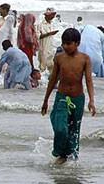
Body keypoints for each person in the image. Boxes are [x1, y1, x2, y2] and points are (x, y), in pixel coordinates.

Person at [41, 28, 96, 164]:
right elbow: (53, 79)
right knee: (60, 128)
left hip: (78, 98)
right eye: (63, 43)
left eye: (68, 43)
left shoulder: (85, 59)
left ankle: (71, 157)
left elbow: (89, 80)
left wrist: (91, 101)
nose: (65, 46)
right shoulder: (59, 58)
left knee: (74, 129)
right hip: (62, 98)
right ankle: (60, 153)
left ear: (77, 43)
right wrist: (46, 100)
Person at [37, 7, 60, 73]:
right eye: (52, 15)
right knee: (42, 66)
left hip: (50, 47)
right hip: (43, 48)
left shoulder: (52, 23)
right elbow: (38, 36)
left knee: (51, 65)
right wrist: (49, 34)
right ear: (47, 15)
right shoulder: (40, 24)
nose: (53, 17)